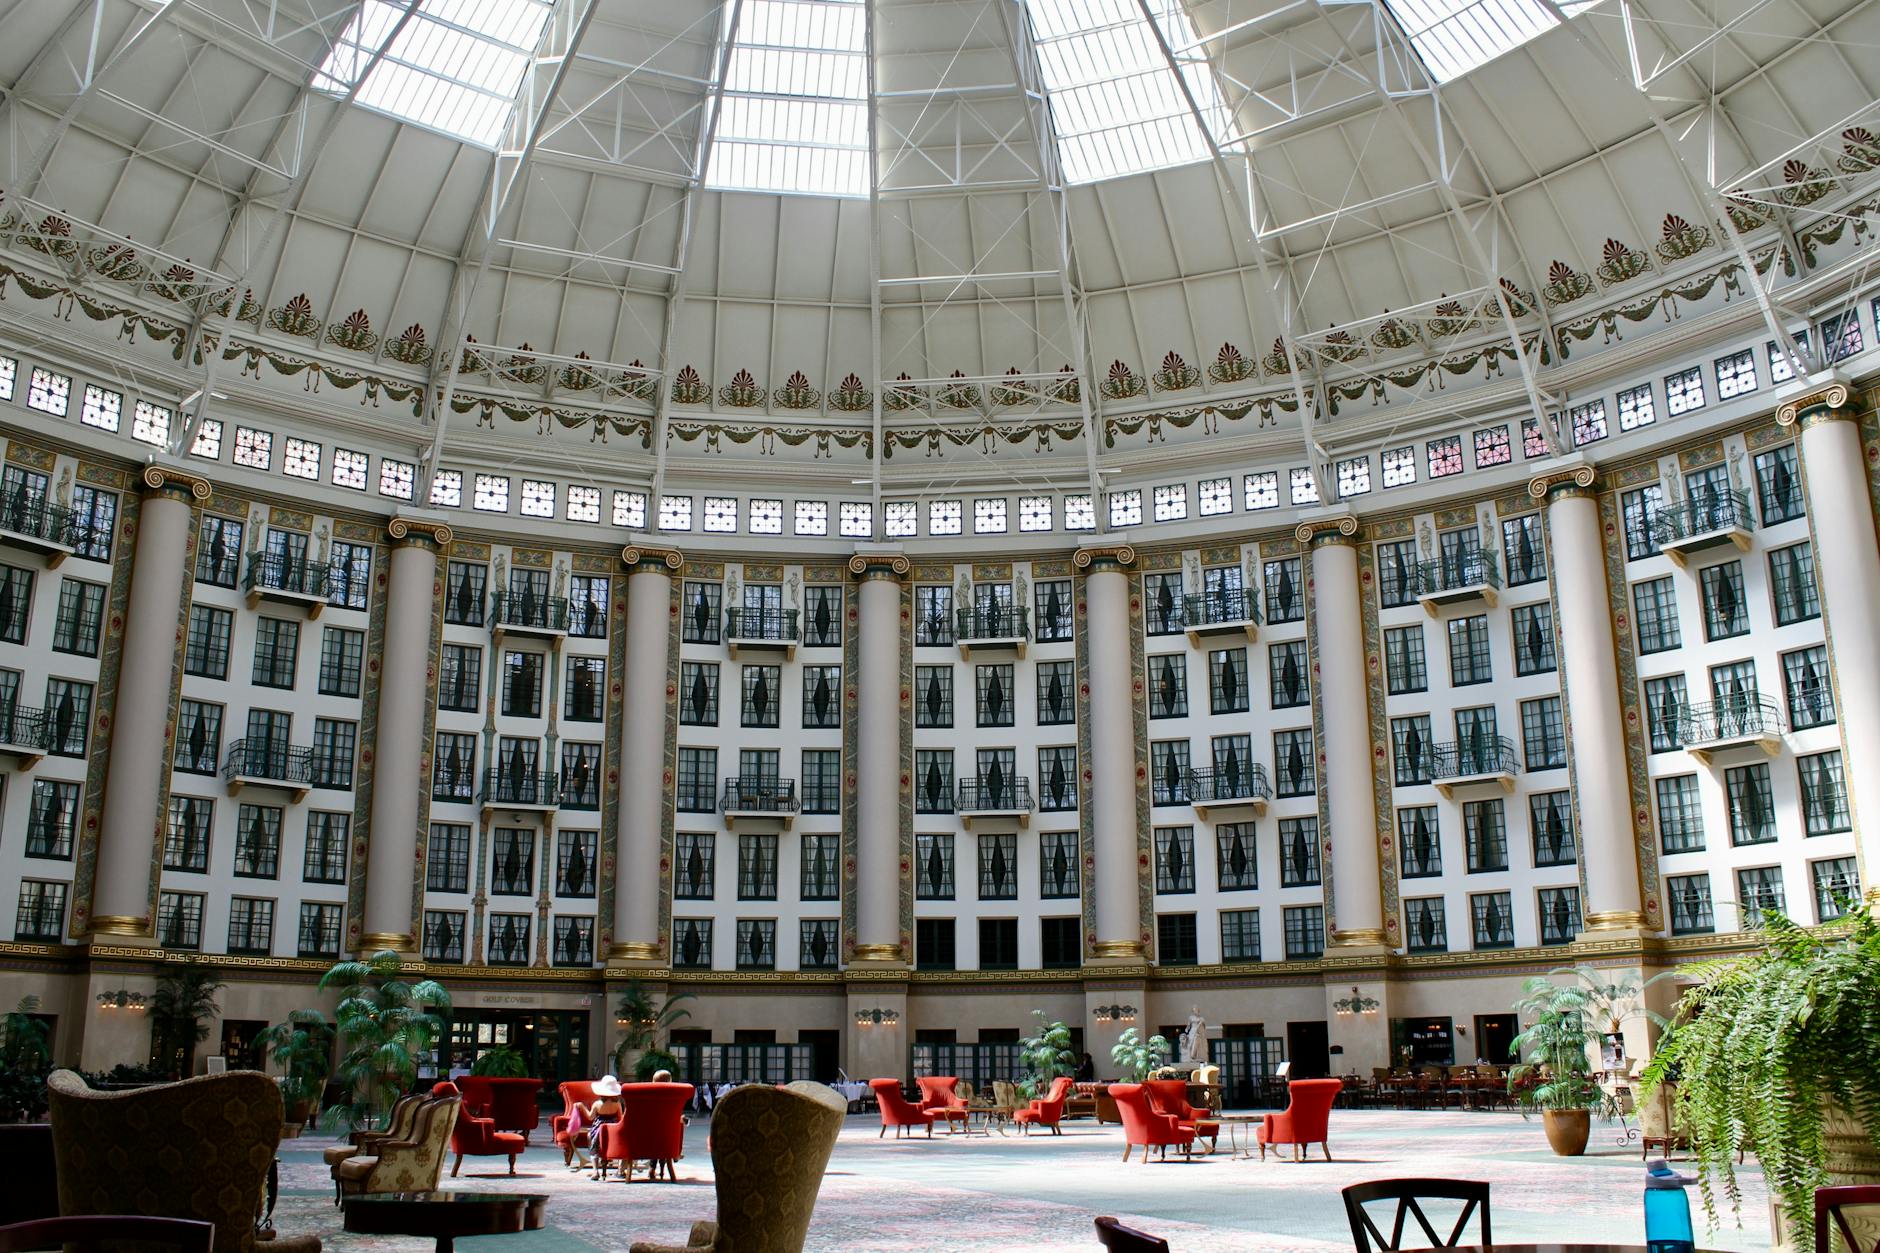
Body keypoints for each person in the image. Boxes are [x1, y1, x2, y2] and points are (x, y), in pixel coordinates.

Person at [582, 1075, 623, 1178]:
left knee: (591, 1141)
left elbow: (590, 1117)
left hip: (598, 1129)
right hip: (612, 1128)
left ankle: (595, 1170)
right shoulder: (617, 1104)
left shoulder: (597, 1104)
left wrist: (582, 1107)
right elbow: (620, 1117)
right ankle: (619, 1168)